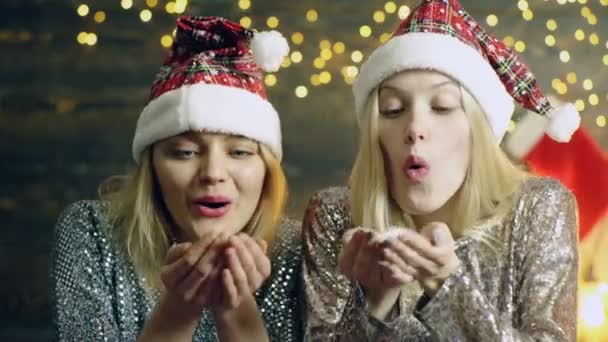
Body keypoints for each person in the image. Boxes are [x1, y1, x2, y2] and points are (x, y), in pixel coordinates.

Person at [301, 0, 581, 340]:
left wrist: (449, 288)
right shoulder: (334, 216)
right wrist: (374, 306)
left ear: (479, 131)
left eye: (443, 106)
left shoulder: (539, 208)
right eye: (392, 109)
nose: (415, 127)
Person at [50, 16, 301, 341]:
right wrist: (179, 310)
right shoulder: (91, 232)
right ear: (152, 165)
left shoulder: (298, 251)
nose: (212, 174)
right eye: (184, 152)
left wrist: (237, 315)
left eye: (239, 152)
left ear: (268, 170)